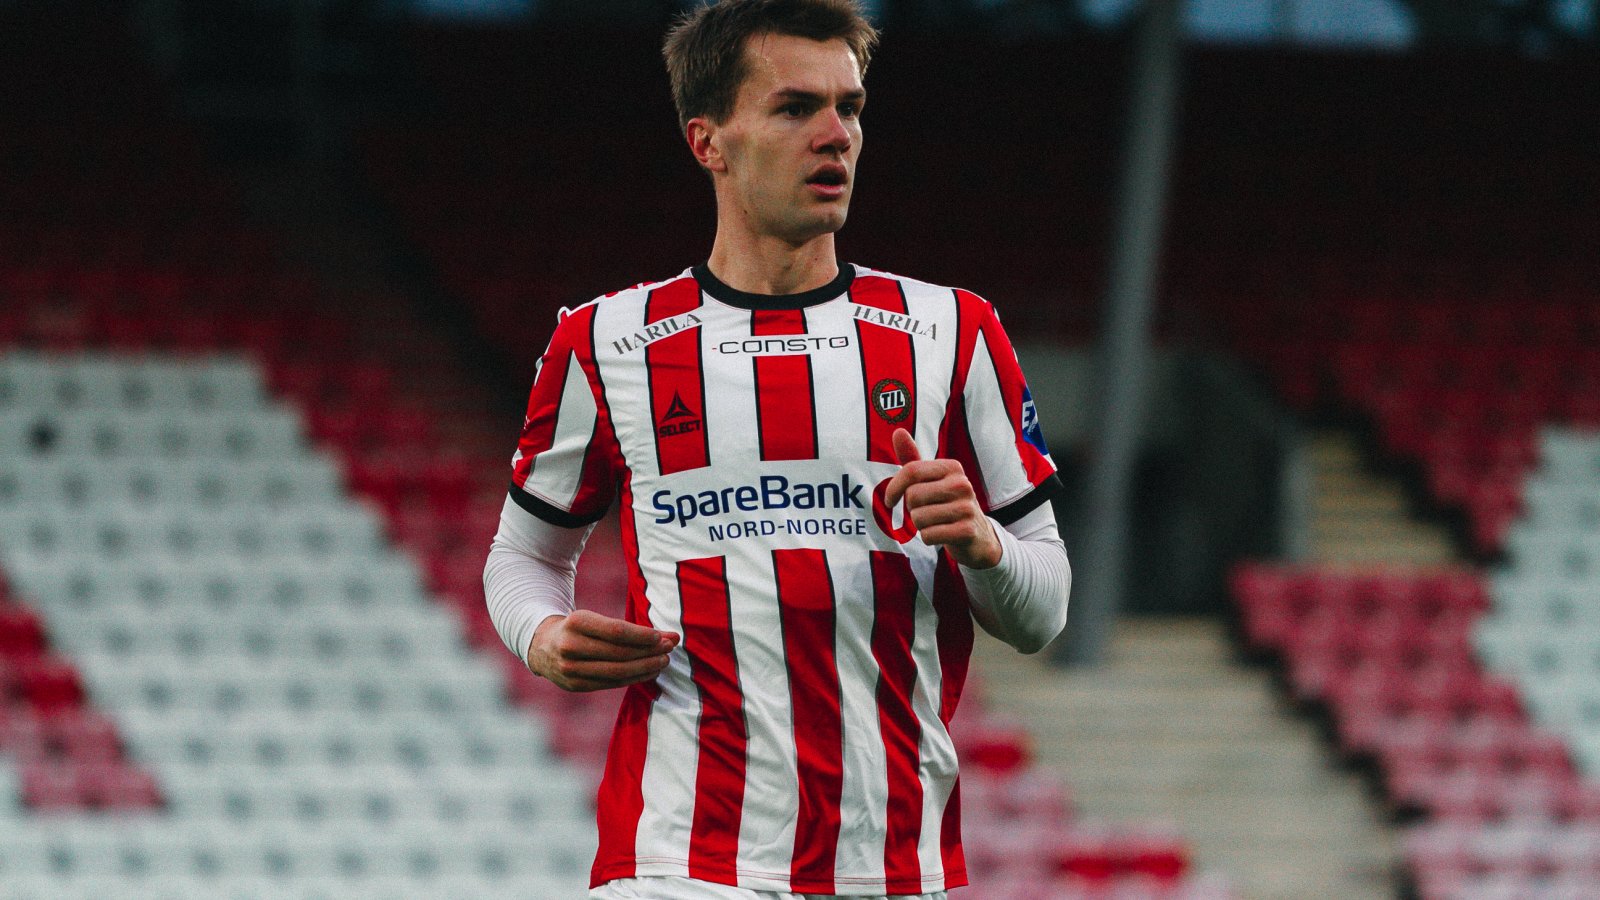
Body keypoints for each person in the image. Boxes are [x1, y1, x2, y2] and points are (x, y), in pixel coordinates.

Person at [482, 2, 1071, 897]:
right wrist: (541, 634)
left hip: (890, 865)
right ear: (707, 142)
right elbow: (523, 554)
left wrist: (984, 546)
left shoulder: (953, 332)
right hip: (678, 860)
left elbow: (1044, 613)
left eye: (850, 107)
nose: (836, 135)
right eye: (796, 108)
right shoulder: (607, 342)